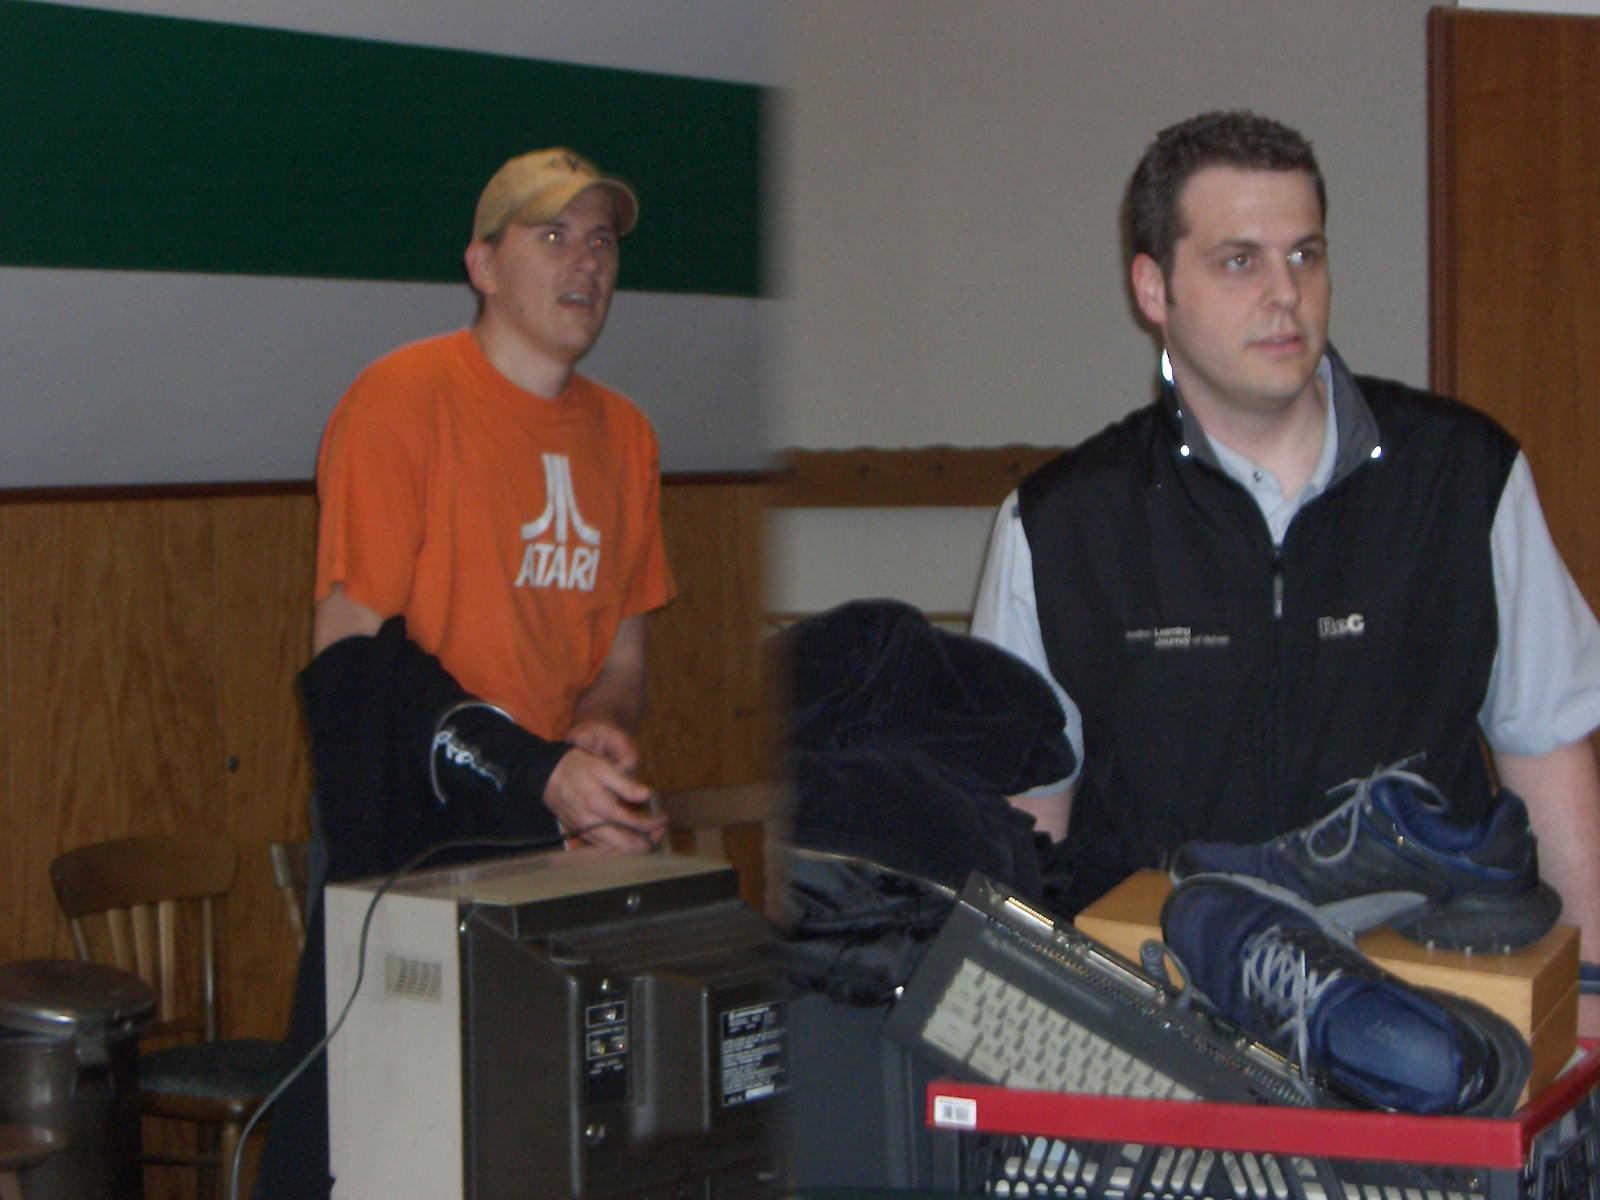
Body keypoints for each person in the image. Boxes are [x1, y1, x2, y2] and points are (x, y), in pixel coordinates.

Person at [970, 111, 1600, 1029]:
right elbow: (1024, 834)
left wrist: (1586, 1017)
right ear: (1153, 287)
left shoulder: (1467, 479)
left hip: (1422, 1037)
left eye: (1305, 255)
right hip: (1165, 1030)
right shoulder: (1059, 526)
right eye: (1240, 261)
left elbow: (1547, 753)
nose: (1285, 295)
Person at [254, 147, 674, 1198]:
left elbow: (622, 655)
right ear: (482, 266)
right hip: (412, 839)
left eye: (601, 240)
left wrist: (600, 730)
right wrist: (532, 769)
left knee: (533, 1150)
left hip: (548, 840)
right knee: (376, 1152)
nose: (585, 261)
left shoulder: (627, 435)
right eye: (552, 235)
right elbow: (353, 656)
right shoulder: (401, 399)